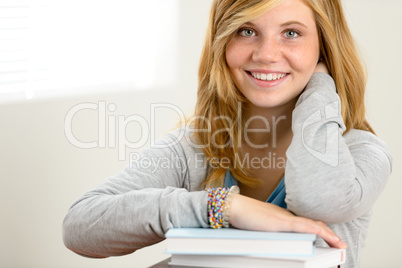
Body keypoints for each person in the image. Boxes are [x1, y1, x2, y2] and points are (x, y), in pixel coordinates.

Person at [62, 0, 392, 267]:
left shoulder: (362, 152)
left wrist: (321, 86)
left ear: (324, 46)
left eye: (291, 33)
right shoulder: (195, 146)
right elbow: (80, 226)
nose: (265, 54)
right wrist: (224, 207)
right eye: (246, 30)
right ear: (223, 42)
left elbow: (319, 199)